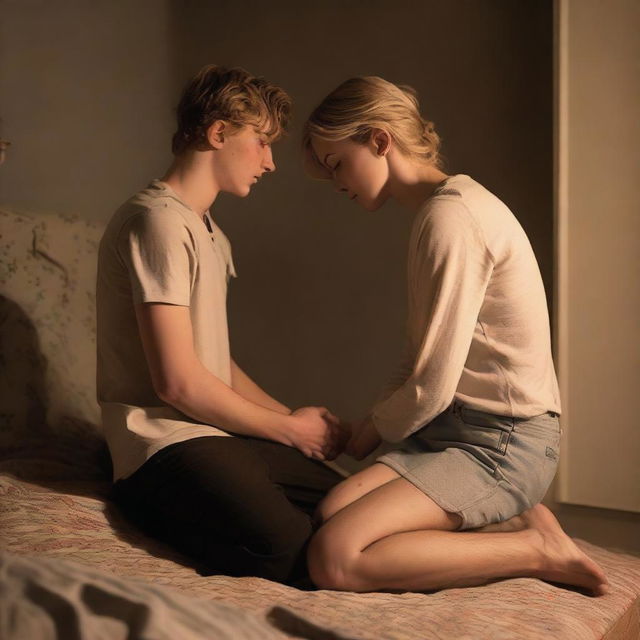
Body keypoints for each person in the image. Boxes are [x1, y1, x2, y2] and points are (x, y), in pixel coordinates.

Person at [301, 76, 608, 595]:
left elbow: (430, 386)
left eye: (337, 163)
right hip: (454, 429)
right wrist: (366, 431)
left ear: (379, 141)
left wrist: (366, 434)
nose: (336, 183)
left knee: (334, 559)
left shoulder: (453, 218)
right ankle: (517, 518)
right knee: (332, 509)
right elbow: (418, 359)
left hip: (503, 441)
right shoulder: (437, 212)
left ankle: (537, 548)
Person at [96, 64, 347, 586]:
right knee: (295, 552)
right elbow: (178, 384)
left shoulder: (210, 232)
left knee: (355, 509)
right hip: (164, 445)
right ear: (218, 133)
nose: (270, 163)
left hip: (216, 431)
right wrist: (287, 429)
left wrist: (296, 425)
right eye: (261, 142)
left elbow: (214, 364)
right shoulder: (157, 221)